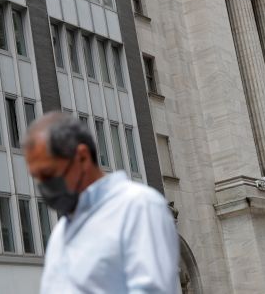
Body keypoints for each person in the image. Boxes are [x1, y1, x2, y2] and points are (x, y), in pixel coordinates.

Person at [24, 111, 179, 293]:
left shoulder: (139, 207)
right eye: (37, 178)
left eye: (48, 174)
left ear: (82, 157)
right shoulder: (61, 232)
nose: (44, 186)